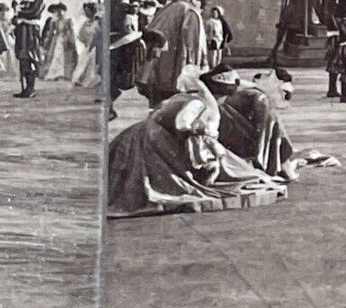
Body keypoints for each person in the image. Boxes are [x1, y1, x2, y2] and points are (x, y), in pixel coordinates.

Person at [107, 64, 288, 217]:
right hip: (153, 141)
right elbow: (182, 123)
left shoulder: (191, 96)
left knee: (221, 160)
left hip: (150, 136)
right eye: (223, 97)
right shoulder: (198, 103)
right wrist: (203, 131)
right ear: (219, 94)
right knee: (220, 165)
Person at [214, 66, 301, 179]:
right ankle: (279, 164)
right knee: (272, 124)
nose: (262, 76)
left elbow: (264, 128)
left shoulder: (258, 94)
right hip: (226, 117)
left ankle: (280, 163)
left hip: (231, 117)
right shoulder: (257, 94)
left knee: (273, 124)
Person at [140, 0, 206, 105]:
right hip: (174, 69)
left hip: (158, 66)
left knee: (157, 104)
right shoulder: (190, 11)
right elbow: (192, 44)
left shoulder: (172, 6)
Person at [12, 0, 46, 98]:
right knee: (22, 57)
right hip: (22, 28)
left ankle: (31, 87)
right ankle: (26, 87)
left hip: (31, 29)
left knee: (29, 55)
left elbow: (34, 12)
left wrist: (19, 12)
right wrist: (16, 9)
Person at [42, 2, 80, 81]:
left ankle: (66, 73)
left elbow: (71, 31)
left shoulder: (68, 20)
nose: (59, 13)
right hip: (57, 39)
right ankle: (56, 73)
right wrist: (48, 41)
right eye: (57, 11)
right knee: (57, 55)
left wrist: (72, 40)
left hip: (66, 38)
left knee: (67, 56)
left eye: (61, 11)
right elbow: (51, 33)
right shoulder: (54, 21)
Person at [71, 1, 102, 89]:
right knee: (84, 61)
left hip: (96, 44)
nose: (87, 13)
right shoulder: (86, 22)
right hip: (88, 44)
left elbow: (98, 33)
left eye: (88, 11)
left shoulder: (98, 22)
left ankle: (92, 80)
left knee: (92, 62)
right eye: (86, 11)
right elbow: (81, 33)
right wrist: (85, 41)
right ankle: (81, 80)